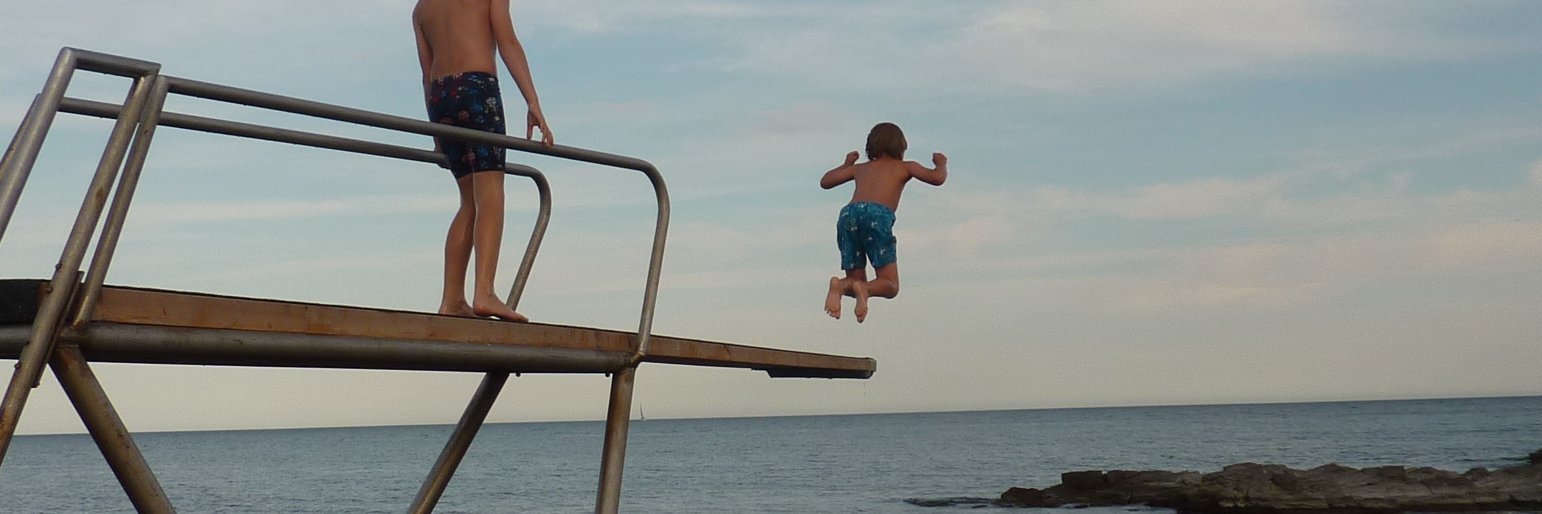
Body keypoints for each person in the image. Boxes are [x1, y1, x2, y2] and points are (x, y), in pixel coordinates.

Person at [413, 0, 552, 321]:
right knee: (490, 195)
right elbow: (508, 43)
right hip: (476, 87)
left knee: (468, 202)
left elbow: (425, 74)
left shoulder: (421, 8)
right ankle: (485, 292)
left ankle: (451, 300)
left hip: (440, 96)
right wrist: (533, 103)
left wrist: (437, 134)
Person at [821, 122, 948, 323]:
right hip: (877, 215)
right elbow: (937, 178)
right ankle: (865, 290)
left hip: (848, 215)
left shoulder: (860, 168)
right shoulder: (905, 167)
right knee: (889, 285)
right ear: (900, 147)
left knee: (854, 280)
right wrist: (940, 163)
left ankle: (839, 286)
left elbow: (826, 181)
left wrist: (847, 164)